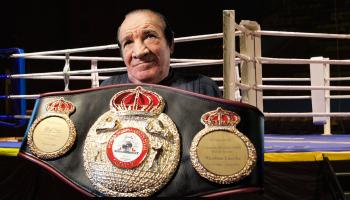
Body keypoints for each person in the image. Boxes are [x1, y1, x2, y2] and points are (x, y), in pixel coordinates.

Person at [101, 9, 222, 98]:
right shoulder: (107, 90)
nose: (139, 52)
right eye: (128, 42)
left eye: (149, 36)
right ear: (121, 53)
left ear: (170, 44)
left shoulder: (201, 88)